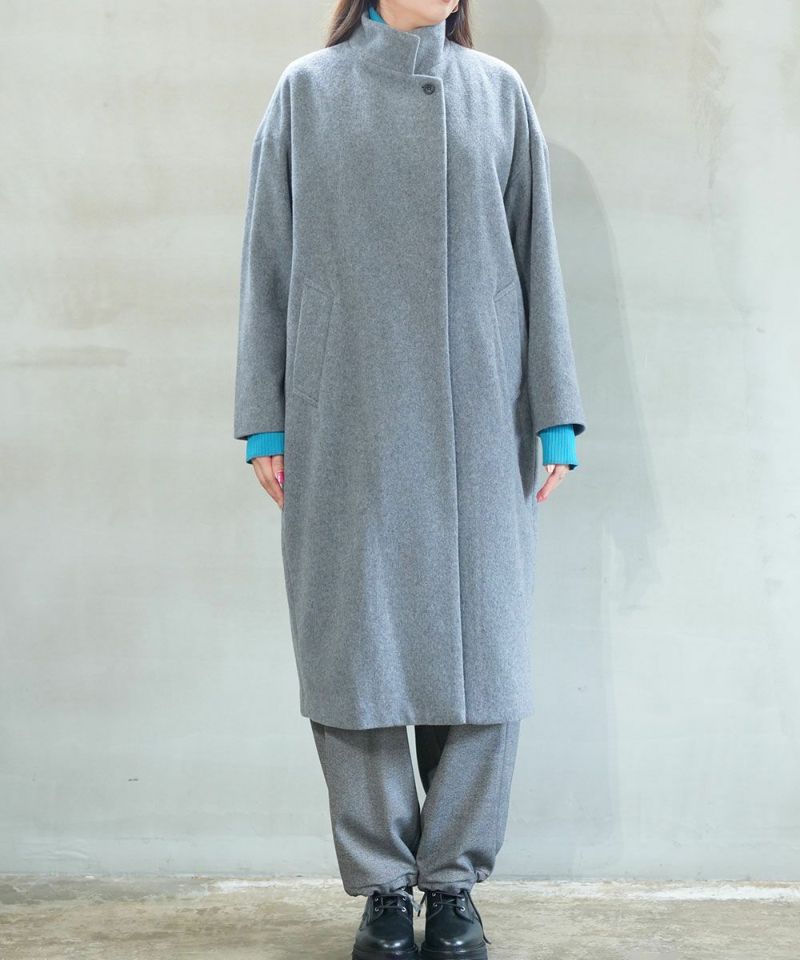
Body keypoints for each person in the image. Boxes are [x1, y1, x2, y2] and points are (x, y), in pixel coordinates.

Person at [233, 2, 587, 957]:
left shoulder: (498, 93)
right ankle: (385, 887)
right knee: (355, 657)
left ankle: (454, 883)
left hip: (483, 416)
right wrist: (264, 413)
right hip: (345, 412)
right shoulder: (307, 92)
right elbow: (267, 256)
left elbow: (537, 253)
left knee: (486, 658)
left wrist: (554, 410)